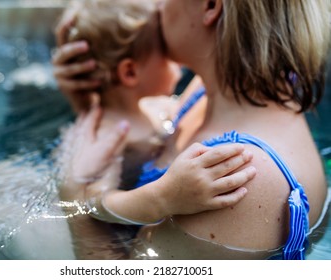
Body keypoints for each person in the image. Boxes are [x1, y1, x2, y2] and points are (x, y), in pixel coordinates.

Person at [0, 0, 255, 260]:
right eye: (165, 57)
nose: (178, 69)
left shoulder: (160, 108)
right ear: (129, 72)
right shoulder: (111, 135)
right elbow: (93, 200)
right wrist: (163, 197)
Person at [53, 0, 330, 259]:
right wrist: (97, 96)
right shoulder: (211, 89)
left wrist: (74, 203)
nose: (158, 4)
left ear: (210, 5)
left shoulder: (239, 174)